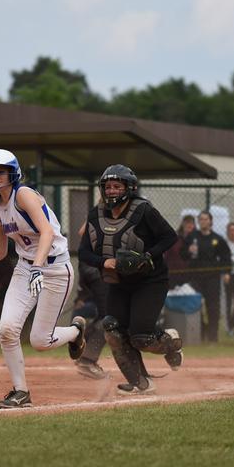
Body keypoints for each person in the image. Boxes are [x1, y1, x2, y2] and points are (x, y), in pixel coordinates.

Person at [0, 149, 86, 408]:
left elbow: (45, 232)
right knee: (7, 330)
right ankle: (21, 392)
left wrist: (38, 266)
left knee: (40, 342)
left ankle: (76, 332)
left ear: (13, 172)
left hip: (55, 269)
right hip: (25, 268)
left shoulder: (23, 195)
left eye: (1, 171)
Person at [77, 164, 181, 395]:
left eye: (117, 186)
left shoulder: (143, 210)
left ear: (129, 188)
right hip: (119, 283)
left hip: (150, 281)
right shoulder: (96, 213)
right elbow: (84, 251)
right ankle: (140, 383)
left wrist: (146, 256)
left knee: (141, 337)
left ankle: (170, 343)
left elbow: (169, 237)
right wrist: (104, 262)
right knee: (113, 329)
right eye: (108, 187)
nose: (112, 191)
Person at [182, 211, 230, 342]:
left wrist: (226, 272)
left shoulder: (217, 239)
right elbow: (182, 254)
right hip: (195, 277)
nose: (203, 221)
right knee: (196, 307)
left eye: (206, 219)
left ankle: (213, 336)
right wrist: (188, 251)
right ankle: (201, 334)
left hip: (212, 278)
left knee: (213, 307)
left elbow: (226, 257)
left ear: (210, 221)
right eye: (201, 219)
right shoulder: (192, 237)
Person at [71, 222, 109, 380]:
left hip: (94, 267)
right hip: (97, 268)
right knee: (110, 317)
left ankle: (81, 346)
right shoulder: (106, 210)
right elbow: (82, 231)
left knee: (106, 315)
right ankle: (87, 359)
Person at [166, 214, 195, 288]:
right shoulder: (175, 238)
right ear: (183, 224)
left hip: (190, 272)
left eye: (191, 223)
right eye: (187, 223)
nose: (189, 225)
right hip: (174, 271)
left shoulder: (196, 239)